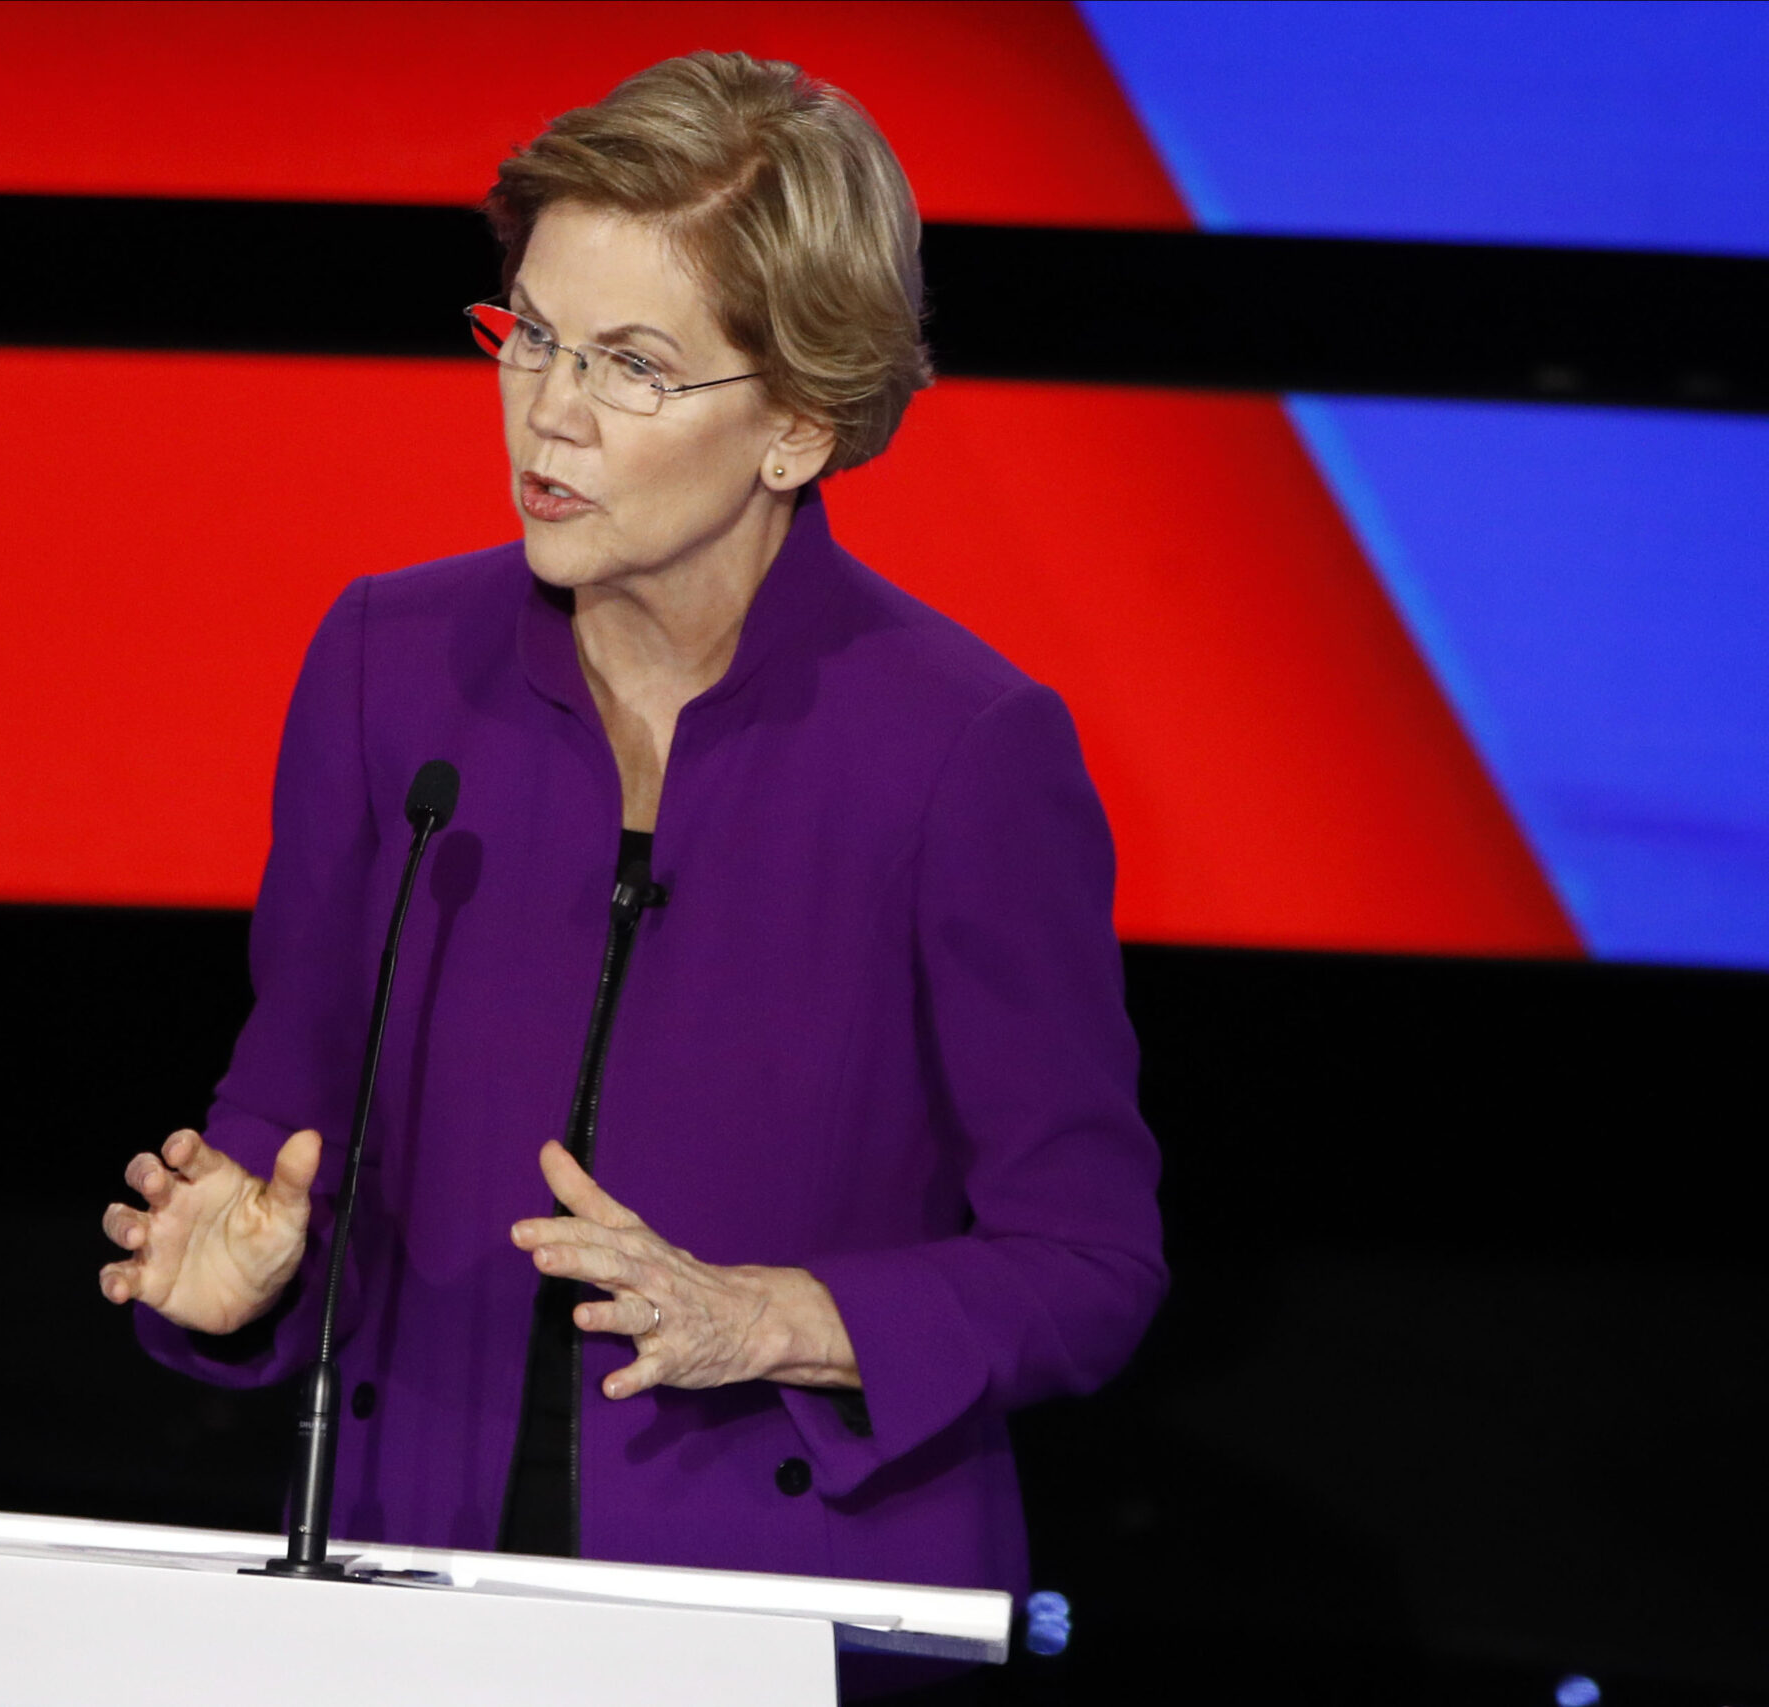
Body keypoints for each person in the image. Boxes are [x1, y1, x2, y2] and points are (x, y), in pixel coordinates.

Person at [98, 48, 1164, 1629]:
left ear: (797, 424)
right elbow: (290, 1124)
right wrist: (236, 1276)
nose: (552, 411)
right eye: (531, 336)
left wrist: (775, 1318)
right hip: (408, 1587)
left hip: (793, 1614)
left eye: (633, 367)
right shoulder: (390, 664)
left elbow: (1087, 1264)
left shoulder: (961, 752)